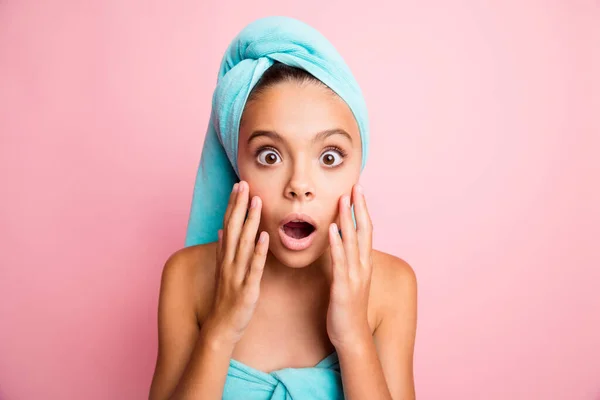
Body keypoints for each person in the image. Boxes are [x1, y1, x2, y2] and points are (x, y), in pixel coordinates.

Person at [149, 16, 417, 400]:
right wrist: (221, 328)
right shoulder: (187, 278)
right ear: (235, 164)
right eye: (270, 156)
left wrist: (354, 336)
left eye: (329, 157)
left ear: (359, 163)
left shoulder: (393, 286)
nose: (299, 186)